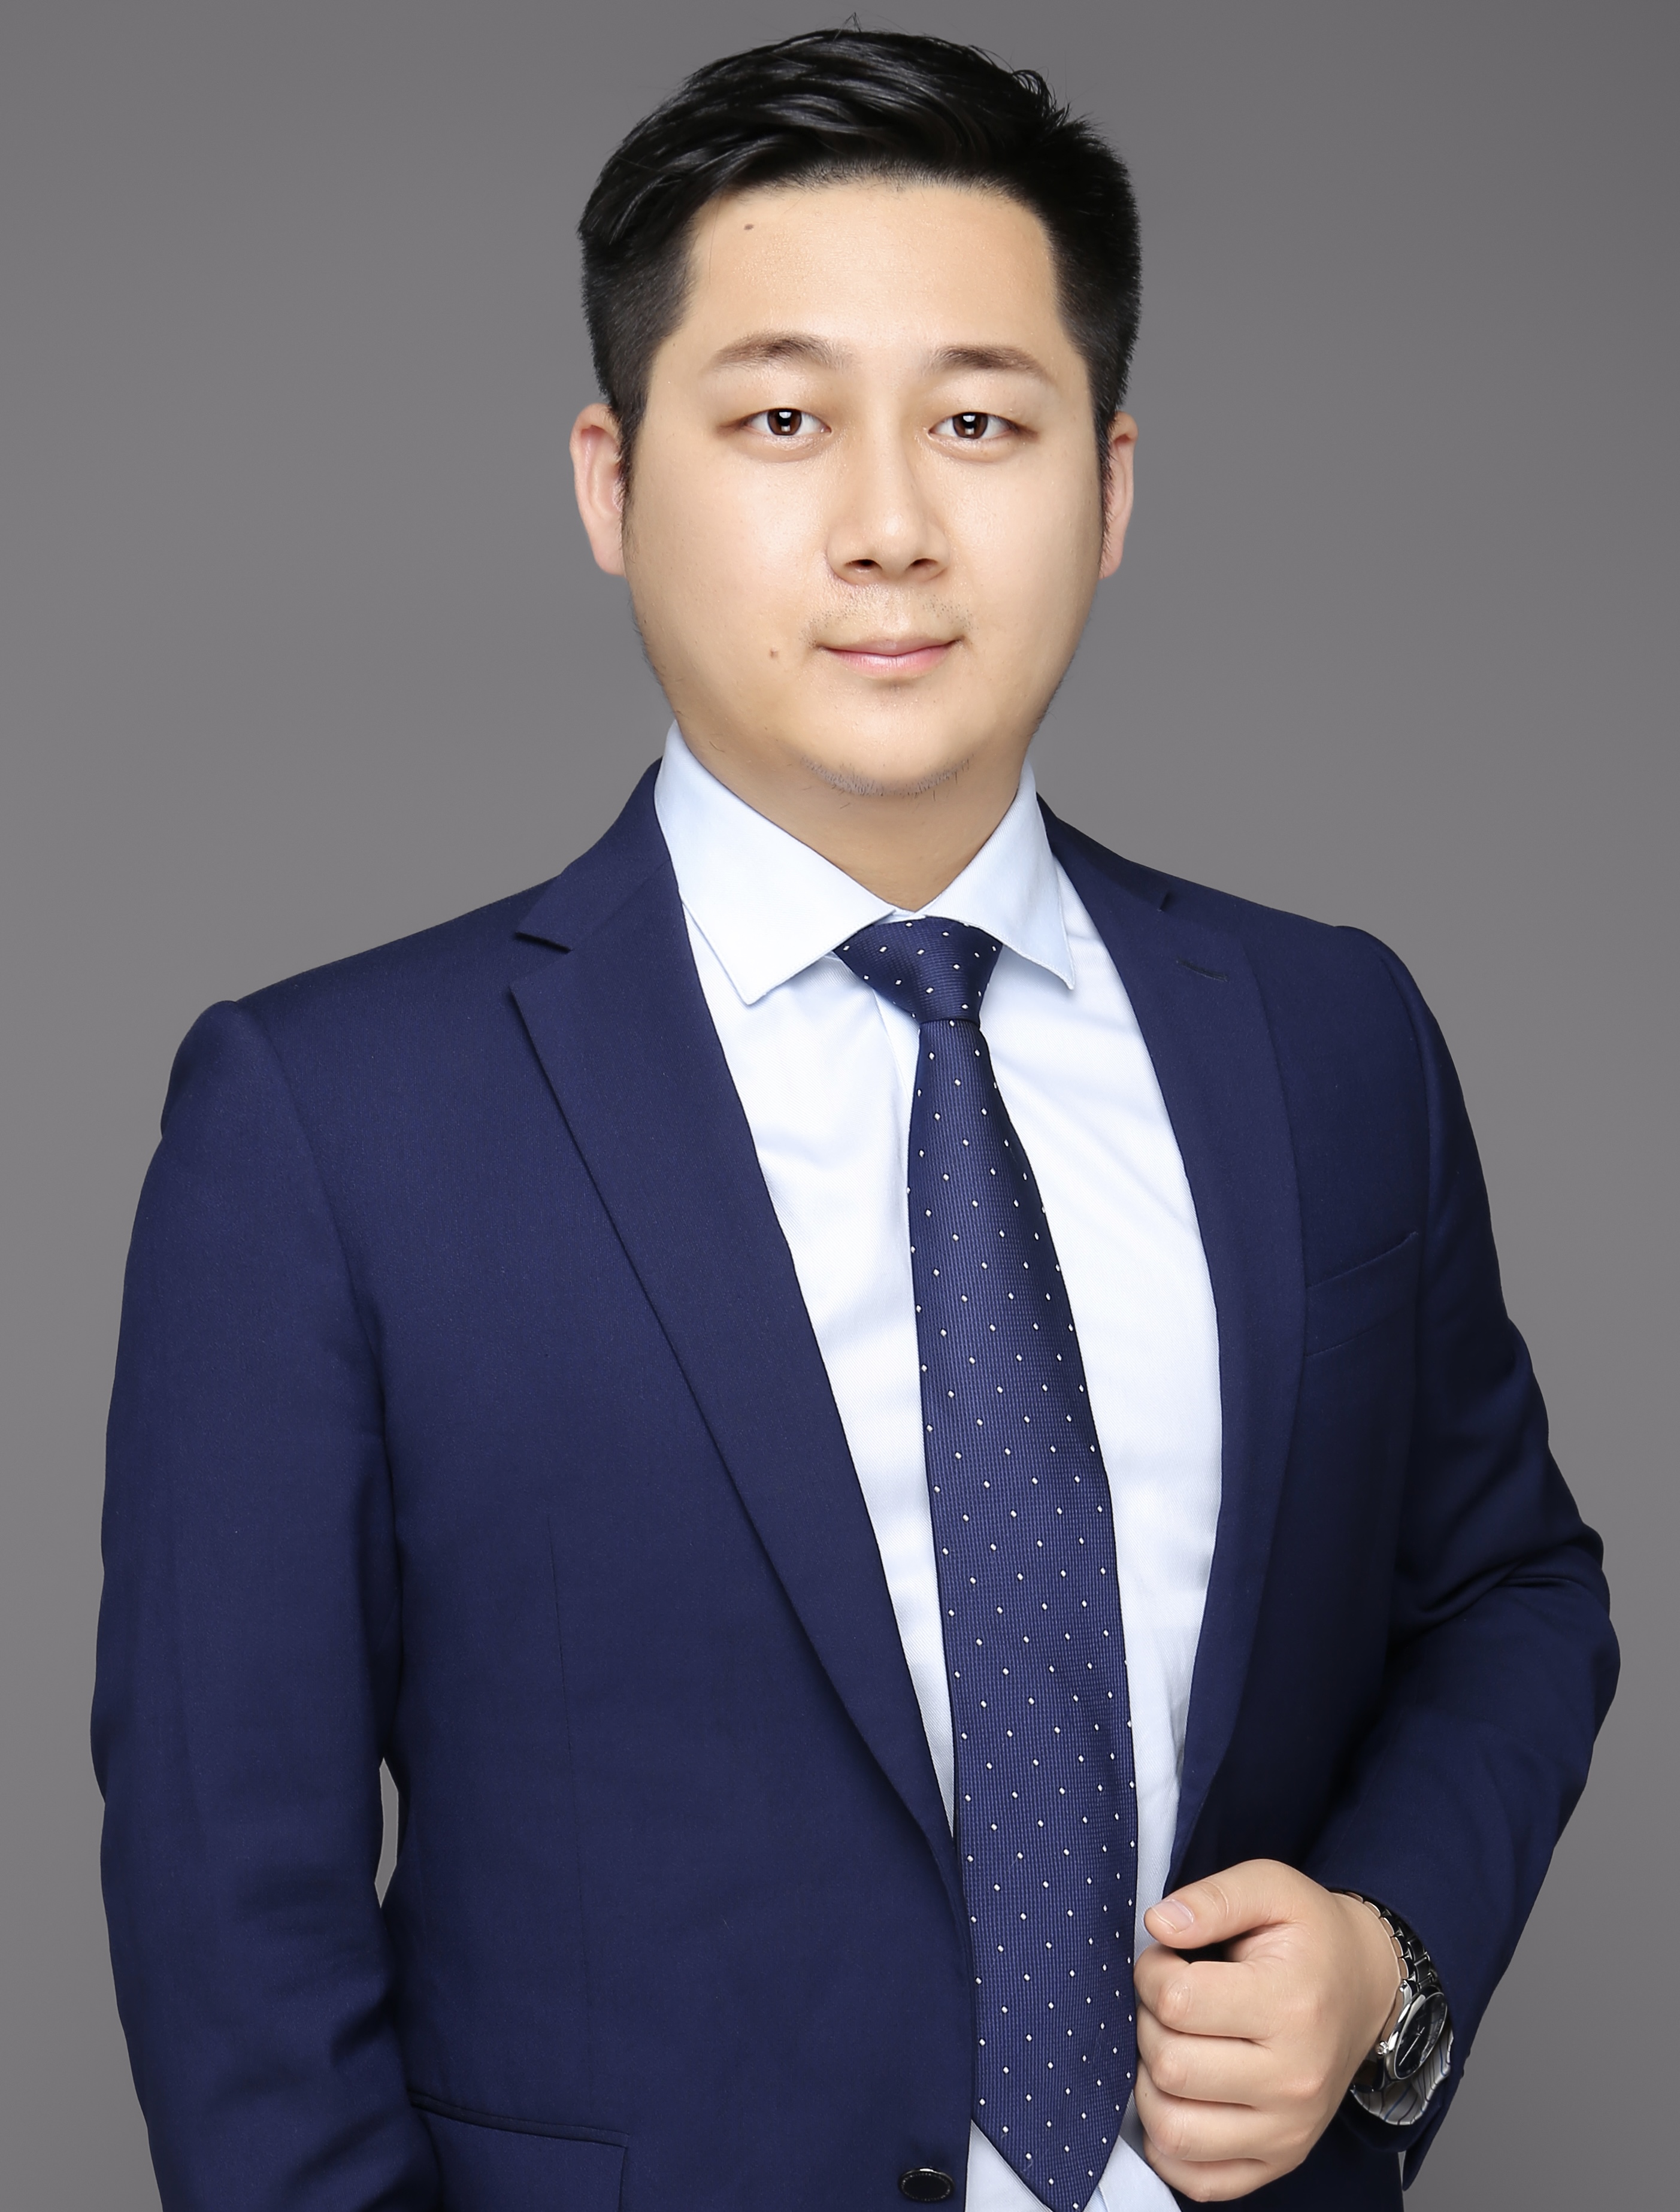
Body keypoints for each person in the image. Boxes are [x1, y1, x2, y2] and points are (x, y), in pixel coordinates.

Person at [92, 28, 1617, 2212]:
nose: (892, 526)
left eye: (981, 422)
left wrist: (1389, 1953)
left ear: (1109, 488)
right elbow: (237, 1926)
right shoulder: (329, 1125)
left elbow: (1508, 1589)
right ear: (614, 483)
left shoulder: (1328, 1036)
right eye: (783, 420)